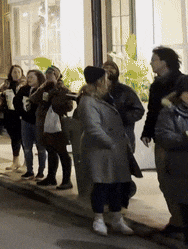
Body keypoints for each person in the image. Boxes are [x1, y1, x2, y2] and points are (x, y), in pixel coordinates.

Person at [76, 66, 136, 236]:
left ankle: (117, 220)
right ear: (99, 81)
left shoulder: (105, 98)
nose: (109, 81)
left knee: (117, 185)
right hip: (100, 150)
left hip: (114, 150)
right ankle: (99, 219)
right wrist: (111, 143)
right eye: (106, 79)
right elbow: (93, 128)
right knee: (101, 185)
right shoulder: (88, 101)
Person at [142, 46, 186, 236]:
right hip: (164, 136)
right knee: (165, 180)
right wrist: (147, 131)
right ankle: (176, 220)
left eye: (154, 59)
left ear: (164, 62)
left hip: (179, 139)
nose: (151, 62)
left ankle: (179, 222)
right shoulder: (157, 84)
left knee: (176, 181)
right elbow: (152, 111)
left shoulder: (181, 81)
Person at [154, 81, 188, 245]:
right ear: (181, 94)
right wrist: (184, 138)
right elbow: (162, 136)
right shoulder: (169, 113)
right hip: (179, 167)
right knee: (184, 206)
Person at [31, 66, 74, 189]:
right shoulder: (44, 88)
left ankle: (67, 180)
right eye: (47, 75)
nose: (48, 77)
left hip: (58, 126)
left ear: (57, 75)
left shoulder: (63, 89)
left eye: (51, 75)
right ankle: (51, 177)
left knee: (62, 152)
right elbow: (33, 99)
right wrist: (43, 87)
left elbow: (69, 106)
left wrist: (54, 94)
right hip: (44, 125)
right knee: (50, 150)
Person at [102, 60, 145, 151]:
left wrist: (122, 117)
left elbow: (139, 110)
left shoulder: (126, 91)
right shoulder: (98, 92)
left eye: (112, 68)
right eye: (106, 69)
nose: (109, 71)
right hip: (104, 138)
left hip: (124, 135)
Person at [14, 69, 47, 179]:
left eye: (32, 77)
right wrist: (22, 113)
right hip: (25, 121)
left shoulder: (43, 90)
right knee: (27, 147)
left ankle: (41, 171)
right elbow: (16, 101)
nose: (29, 79)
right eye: (28, 77)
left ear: (39, 78)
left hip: (39, 122)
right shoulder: (24, 89)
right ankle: (29, 170)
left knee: (41, 147)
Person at [0, 65, 25, 171]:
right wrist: (1, 94)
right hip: (10, 114)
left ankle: (26, 163)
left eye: (18, 72)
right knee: (14, 138)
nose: (16, 74)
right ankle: (15, 161)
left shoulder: (24, 85)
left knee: (23, 139)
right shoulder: (6, 84)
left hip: (21, 114)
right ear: (10, 73)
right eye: (14, 72)